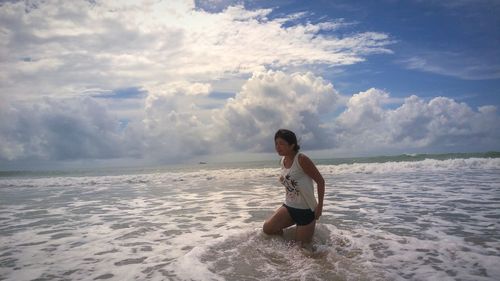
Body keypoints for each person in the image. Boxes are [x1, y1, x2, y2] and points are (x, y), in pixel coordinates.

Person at [263, 129, 325, 246]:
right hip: (289, 207)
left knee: (302, 251)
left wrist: (320, 207)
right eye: (276, 143)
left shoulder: (301, 159)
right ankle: (284, 245)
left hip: (306, 211)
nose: (277, 147)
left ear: (292, 145)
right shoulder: (283, 160)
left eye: (281, 143)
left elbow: (320, 181)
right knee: (268, 228)